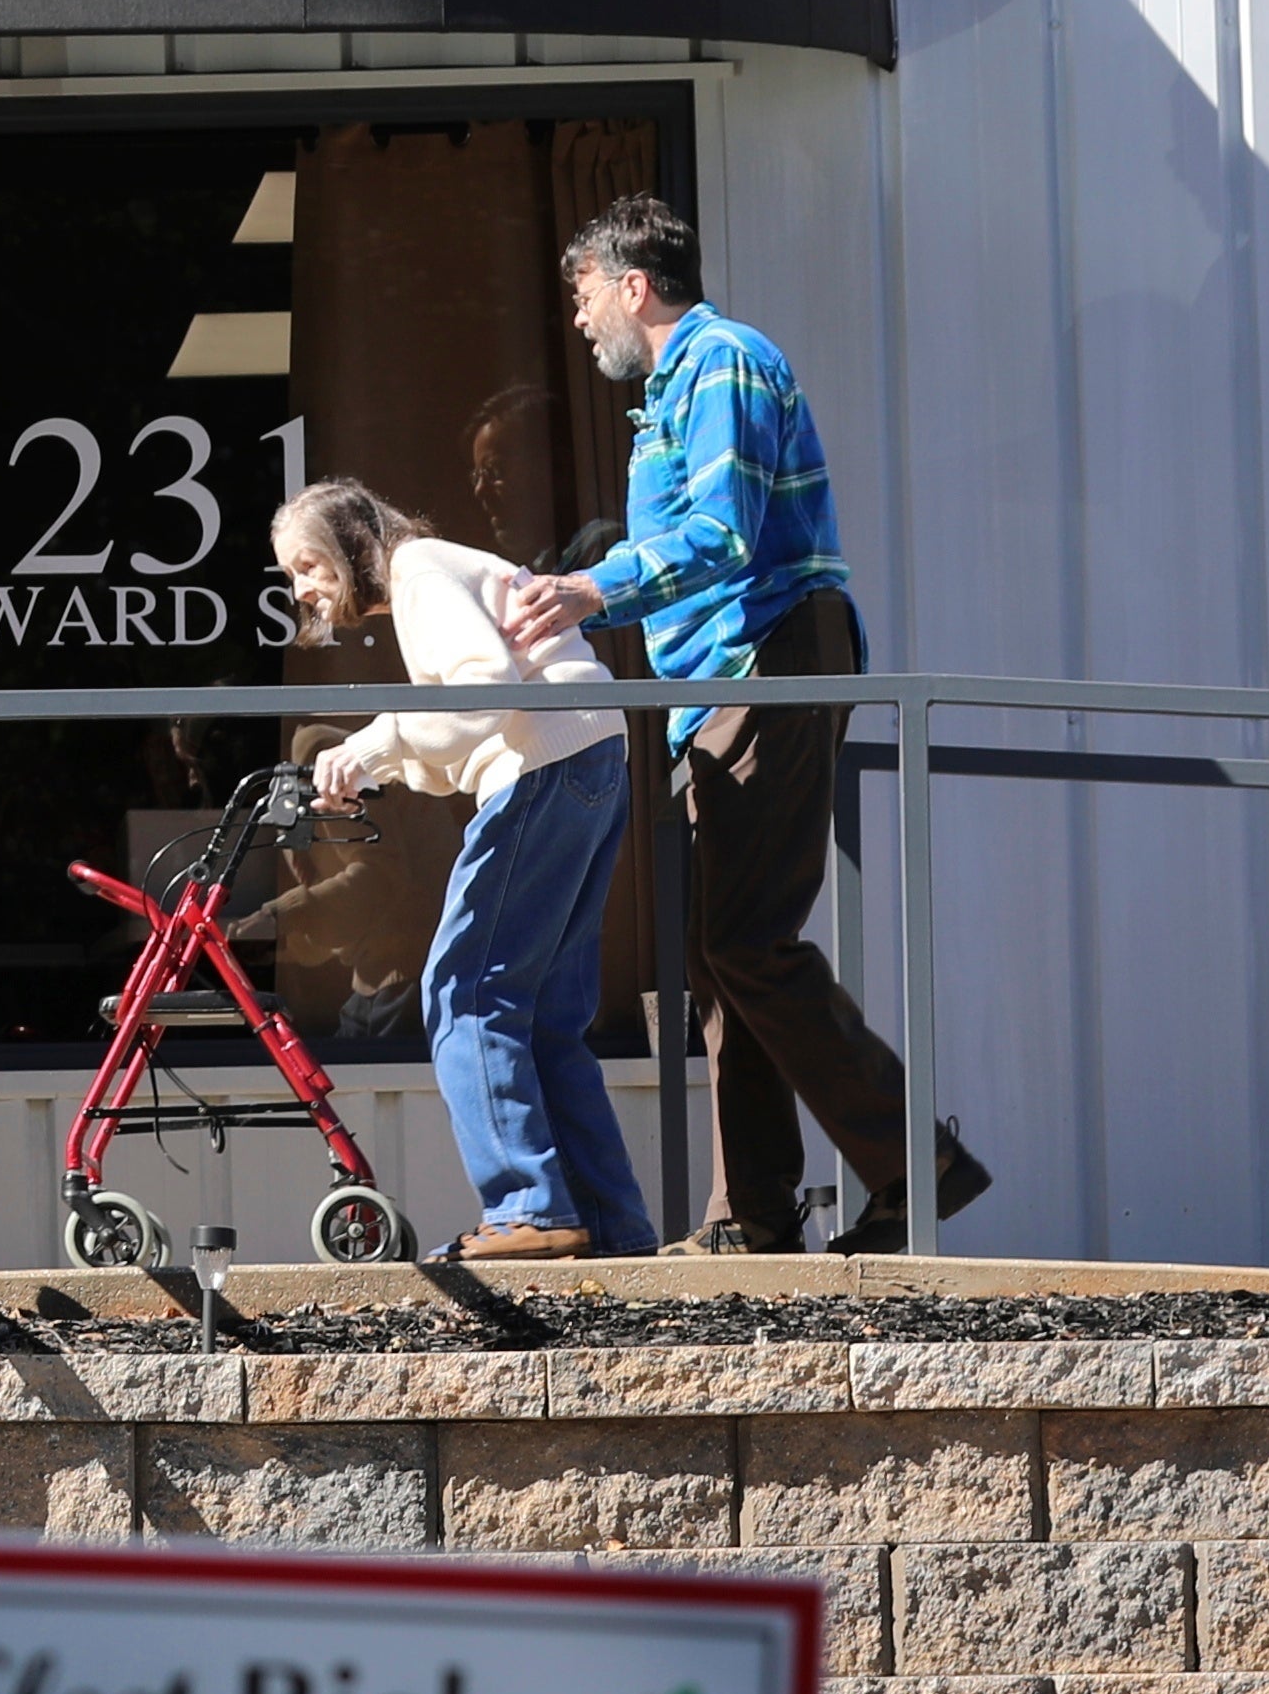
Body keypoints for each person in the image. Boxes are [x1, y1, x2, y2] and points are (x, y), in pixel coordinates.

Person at [494, 198, 990, 1253]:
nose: (579, 321)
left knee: (747, 941)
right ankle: (753, 1218)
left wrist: (591, 587)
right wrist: (596, 584)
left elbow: (721, 532)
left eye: (584, 294)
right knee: (722, 961)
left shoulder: (722, 361)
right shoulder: (677, 390)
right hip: (718, 687)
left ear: (634, 286)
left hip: (769, 662)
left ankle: (917, 1161)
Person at [277, 478, 651, 1263]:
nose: (305, 590)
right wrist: (377, 755)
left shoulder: (419, 572)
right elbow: (469, 722)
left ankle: (530, 1208)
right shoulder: (441, 568)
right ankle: (608, 1223)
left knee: (464, 994)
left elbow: (483, 694)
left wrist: (375, 745)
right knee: (546, 1015)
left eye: (308, 565)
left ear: (351, 544)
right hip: (587, 756)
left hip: (541, 767)